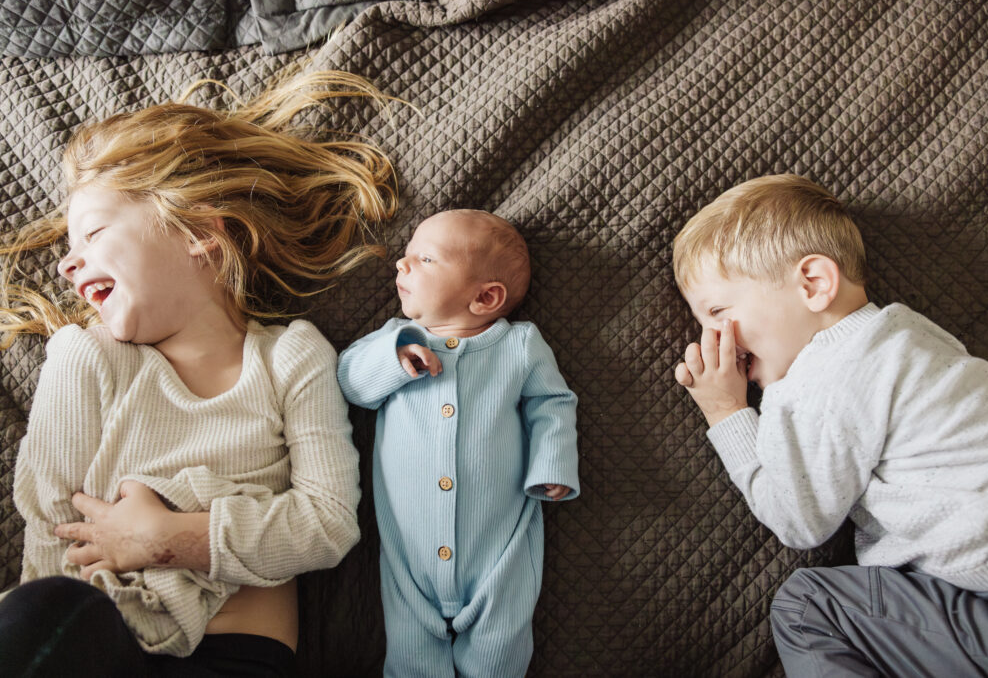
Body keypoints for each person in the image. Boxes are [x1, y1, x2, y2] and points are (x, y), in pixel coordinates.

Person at [0, 69, 397, 676]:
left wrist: (168, 539)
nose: (67, 264)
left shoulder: (291, 357)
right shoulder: (86, 357)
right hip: (96, 640)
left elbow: (328, 523)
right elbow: (51, 529)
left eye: (95, 232)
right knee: (38, 612)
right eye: (68, 248)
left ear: (199, 232)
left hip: (239, 658)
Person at [671, 174, 988, 676]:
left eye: (719, 311)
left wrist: (727, 412)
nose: (714, 337)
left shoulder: (823, 378)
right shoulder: (910, 333)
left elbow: (799, 520)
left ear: (813, 283)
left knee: (807, 607)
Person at [337, 209, 580, 677]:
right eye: (405, 256)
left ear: (485, 296)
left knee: (500, 649)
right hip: (409, 555)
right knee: (410, 656)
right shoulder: (394, 339)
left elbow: (553, 403)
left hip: (499, 550)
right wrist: (395, 356)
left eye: (425, 258)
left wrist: (551, 464)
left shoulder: (519, 346)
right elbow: (350, 383)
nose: (401, 266)